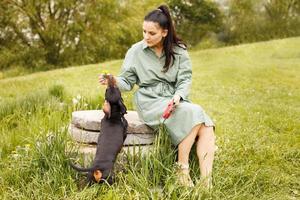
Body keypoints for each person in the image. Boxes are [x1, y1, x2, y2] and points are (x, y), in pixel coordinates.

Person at [99, 5, 216, 188]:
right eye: (144, 31)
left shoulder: (179, 51)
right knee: (195, 114)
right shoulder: (136, 51)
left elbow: (185, 80)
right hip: (149, 101)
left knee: (206, 125)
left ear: (164, 32)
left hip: (173, 99)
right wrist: (113, 80)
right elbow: (128, 82)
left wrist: (178, 96)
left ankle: (206, 182)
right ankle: (182, 169)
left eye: (151, 33)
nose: (146, 36)